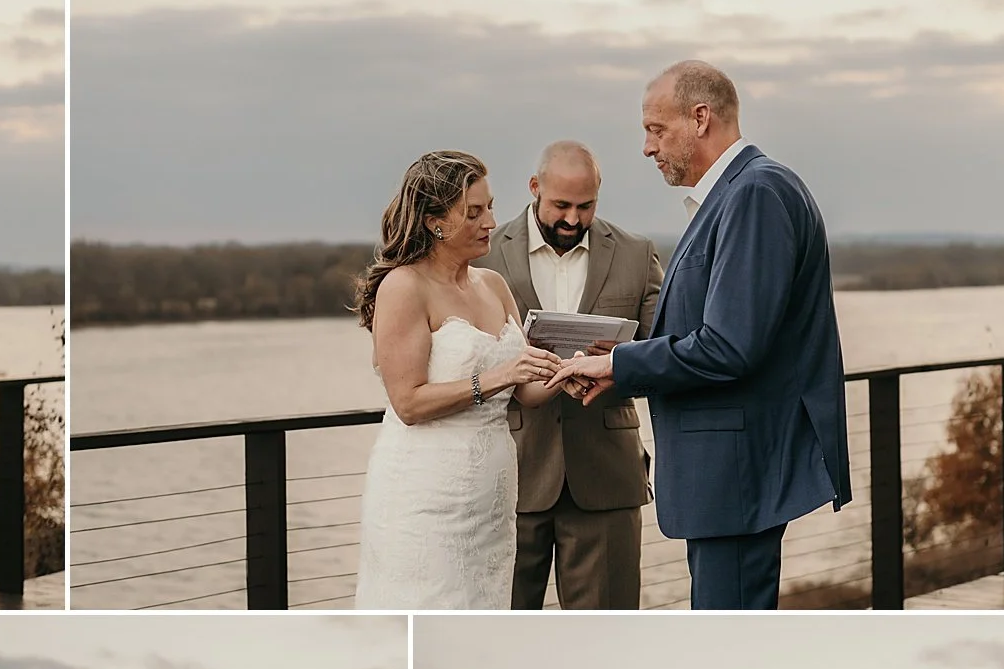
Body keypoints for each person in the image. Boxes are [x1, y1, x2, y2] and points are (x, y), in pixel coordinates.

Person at [551, 61, 851, 609]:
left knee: (726, 638)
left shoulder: (755, 193)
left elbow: (731, 346)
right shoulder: (738, 193)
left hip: (734, 476)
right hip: (728, 474)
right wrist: (623, 367)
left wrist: (620, 364)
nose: (647, 147)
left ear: (700, 118)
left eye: (656, 129)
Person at [353, 152, 565, 609]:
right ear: (435, 223)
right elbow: (408, 404)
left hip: (491, 500)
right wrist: (498, 376)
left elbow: (526, 391)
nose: (491, 221)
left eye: (490, 206)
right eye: (473, 212)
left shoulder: (493, 285)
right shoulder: (404, 287)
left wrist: (569, 370)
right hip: (424, 495)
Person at [473, 141, 661, 609]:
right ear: (534, 187)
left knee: (604, 634)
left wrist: (622, 362)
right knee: (498, 630)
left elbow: (665, 352)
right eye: (561, 205)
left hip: (606, 475)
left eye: (586, 206)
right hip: (510, 473)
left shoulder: (637, 254)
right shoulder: (483, 255)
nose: (573, 220)